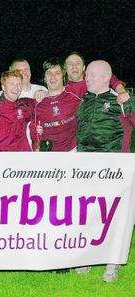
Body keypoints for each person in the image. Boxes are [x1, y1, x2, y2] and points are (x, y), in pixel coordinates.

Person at [75, 60, 134, 282]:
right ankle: (88, 258)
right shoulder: (84, 101)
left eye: (90, 75)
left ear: (105, 78)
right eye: (86, 75)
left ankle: (112, 264)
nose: (86, 78)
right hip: (86, 170)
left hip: (114, 170)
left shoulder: (121, 100)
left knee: (115, 218)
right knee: (90, 215)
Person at [31, 58, 81, 151]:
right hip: (49, 155)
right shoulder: (37, 103)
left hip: (73, 152)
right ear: (45, 78)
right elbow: (34, 133)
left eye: (57, 73)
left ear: (63, 76)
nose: (53, 76)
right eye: (49, 73)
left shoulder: (74, 97)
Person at [64, 52, 129, 102]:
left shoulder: (92, 78)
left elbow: (112, 79)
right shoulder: (62, 87)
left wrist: (122, 92)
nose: (74, 66)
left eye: (78, 63)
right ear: (65, 68)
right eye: (70, 64)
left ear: (83, 67)